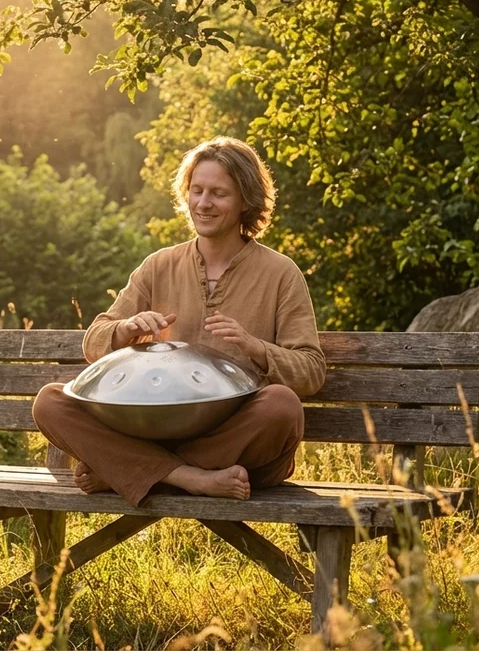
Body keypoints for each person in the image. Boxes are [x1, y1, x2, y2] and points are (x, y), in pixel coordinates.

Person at [32, 136, 326, 507]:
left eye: (219, 193)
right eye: (197, 190)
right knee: (50, 402)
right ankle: (188, 478)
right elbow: (94, 341)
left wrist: (255, 347)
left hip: (237, 444)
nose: (204, 203)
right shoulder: (160, 265)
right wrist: (125, 330)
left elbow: (312, 372)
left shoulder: (281, 273)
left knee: (282, 405)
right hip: (156, 433)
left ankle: (127, 472)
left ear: (245, 202)